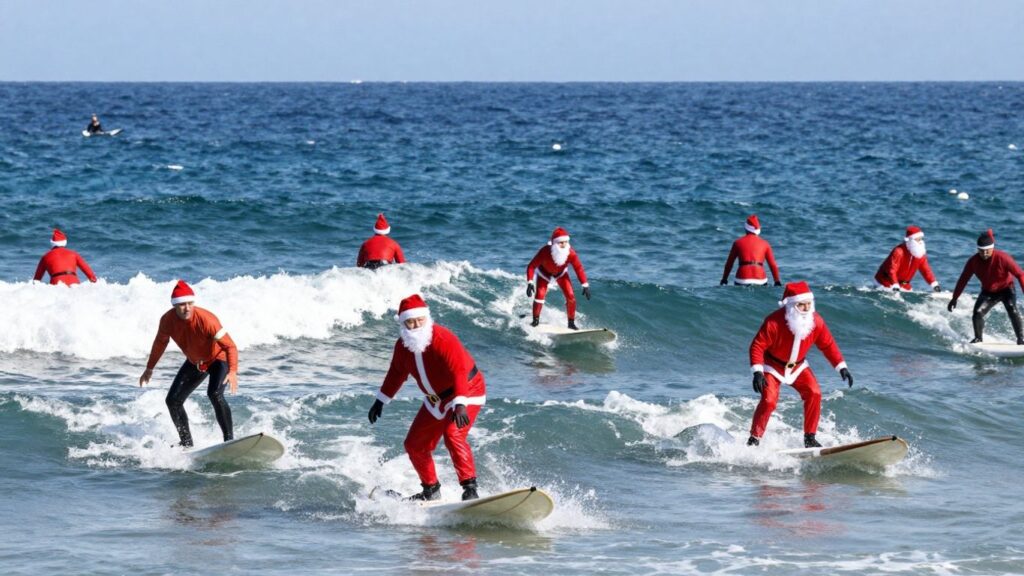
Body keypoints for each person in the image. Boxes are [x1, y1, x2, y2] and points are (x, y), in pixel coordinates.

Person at [367, 294, 486, 501]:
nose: (416, 326)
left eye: (420, 320)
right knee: (414, 444)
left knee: (453, 434)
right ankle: (430, 490)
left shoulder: (442, 338)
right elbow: (396, 373)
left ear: (426, 318)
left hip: (467, 390)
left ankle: (470, 489)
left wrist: (460, 404)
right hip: (434, 400)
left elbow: (458, 370)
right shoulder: (403, 346)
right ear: (403, 323)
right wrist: (381, 400)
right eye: (410, 322)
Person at [747, 281, 853, 448]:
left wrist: (841, 366)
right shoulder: (774, 322)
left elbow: (828, 344)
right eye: (801, 305)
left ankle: (809, 438)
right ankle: (754, 439)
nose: (806, 309)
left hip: (798, 366)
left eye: (808, 304)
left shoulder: (816, 321)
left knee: (814, 393)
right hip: (772, 365)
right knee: (769, 401)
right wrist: (757, 372)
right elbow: (757, 345)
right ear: (791, 305)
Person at [139, 280, 238, 448]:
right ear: (174, 306)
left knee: (214, 394)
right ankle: (186, 444)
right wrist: (149, 368)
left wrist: (233, 371)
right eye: (182, 305)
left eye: (190, 303)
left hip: (217, 360)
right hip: (195, 363)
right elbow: (159, 344)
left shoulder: (207, 320)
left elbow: (230, 346)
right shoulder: (167, 320)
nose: (187, 308)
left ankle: (229, 441)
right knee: (172, 401)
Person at [948, 229, 1024, 344]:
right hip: (988, 292)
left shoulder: (1003, 258)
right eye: (981, 251)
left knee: (1012, 309)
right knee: (977, 313)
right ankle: (978, 339)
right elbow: (963, 280)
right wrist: (954, 298)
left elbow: (1020, 274)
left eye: (987, 251)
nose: (984, 254)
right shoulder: (973, 261)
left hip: (1007, 289)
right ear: (977, 249)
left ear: (992, 248)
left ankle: (1021, 339)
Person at [526, 227, 591, 330]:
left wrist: (585, 285)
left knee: (571, 297)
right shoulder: (544, 251)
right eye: (561, 242)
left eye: (566, 242)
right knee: (540, 296)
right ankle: (535, 321)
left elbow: (578, 268)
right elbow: (531, 266)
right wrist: (530, 282)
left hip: (561, 274)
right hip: (544, 273)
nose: (564, 244)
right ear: (554, 243)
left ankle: (571, 323)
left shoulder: (571, 253)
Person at [874, 225, 941, 292]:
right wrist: (895, 284)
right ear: (910, 240)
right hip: (885, 281)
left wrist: (934, 284)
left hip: (904, 284)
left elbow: (926, 270)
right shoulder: (899, 252)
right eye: (917, 240)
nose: (920, 242)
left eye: (921, 239)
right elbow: (892, 270)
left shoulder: (919, 253)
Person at [720, 215, 782, 287]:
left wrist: (724, 279)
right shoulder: (765, 243)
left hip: (742, 279)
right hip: (760, 279)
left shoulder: (737, 242)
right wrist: (777, 281)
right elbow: (773, 265)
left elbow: (729, 264)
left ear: (746, 228)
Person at [33, 228, 98, 285]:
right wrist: (95, 283)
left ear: (52, 243)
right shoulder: (74, 254)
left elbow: (36, 280)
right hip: (74, 283)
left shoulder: (46, 256)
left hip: (57, 284)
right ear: (65, 242)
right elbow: (88, 271)